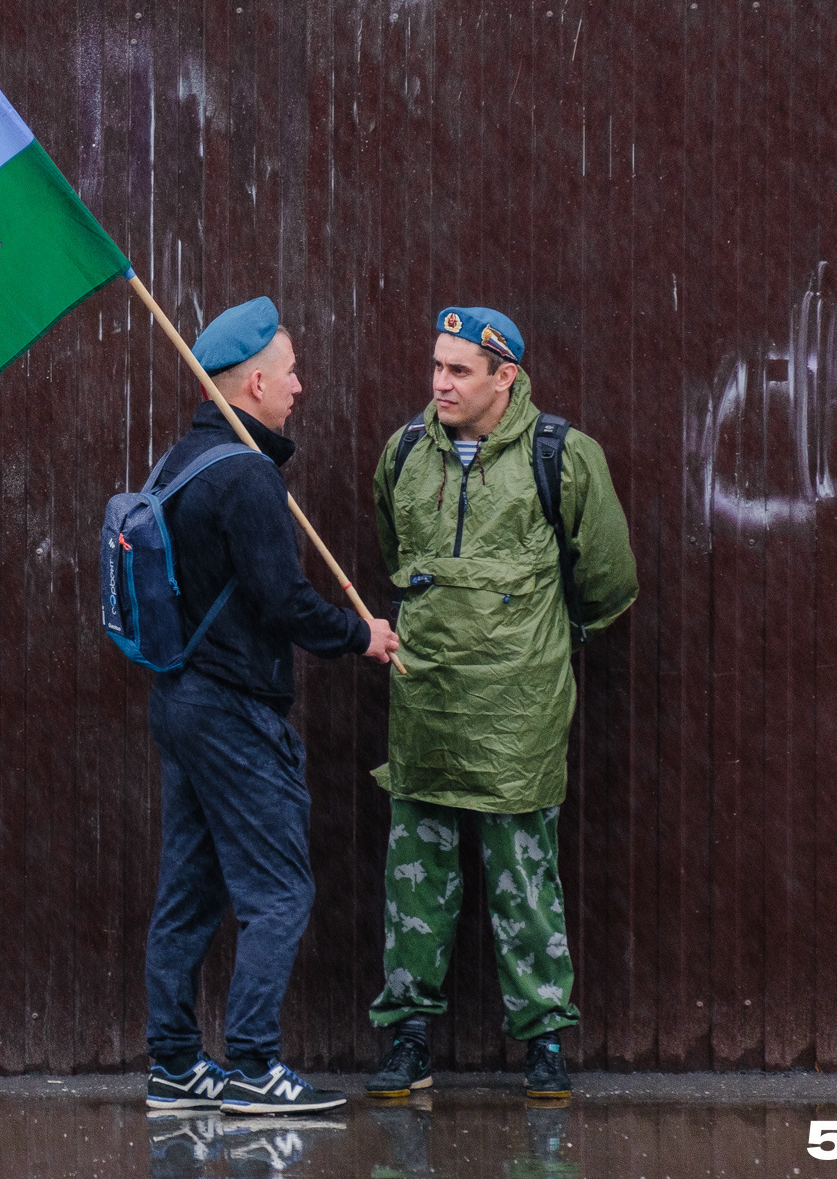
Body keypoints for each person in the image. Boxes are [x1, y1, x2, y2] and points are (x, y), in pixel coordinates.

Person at [365, 306, 636, 1100]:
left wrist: (540, 640)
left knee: (525, 877)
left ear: (505, 377)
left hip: (519, 711)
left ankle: (545, 1042)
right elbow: (396, 555)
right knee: (415, 876)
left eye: (459, 371)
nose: (440, 383)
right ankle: (407, 1039)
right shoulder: (406, 454)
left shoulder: (564, 457)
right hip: (425, 705)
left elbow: (608, 580)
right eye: (437, 367)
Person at [142, 296, 402, 1116]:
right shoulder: (248, 477)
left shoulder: (178, 464)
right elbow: (282, 601)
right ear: (253, 383)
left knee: (189, 893)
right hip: (233, 714)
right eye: (289, 374)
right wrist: (361, 637)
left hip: (180, 702)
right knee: (279, 892)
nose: (300, 387)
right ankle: (253, 1066)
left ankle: (175, 1065)